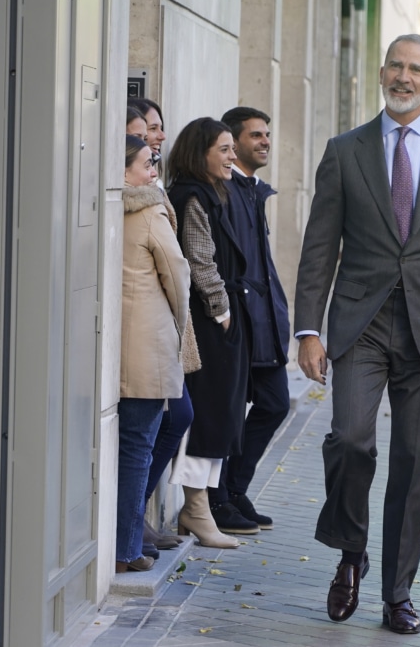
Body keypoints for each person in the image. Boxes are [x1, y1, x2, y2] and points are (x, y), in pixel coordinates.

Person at [294, 34, 420, 635]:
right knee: (352, 440)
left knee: (413, 460)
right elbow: (319, 245)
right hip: (360, 323)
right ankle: (350, 549)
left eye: (418, 69)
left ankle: (397, 592)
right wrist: (308, 329)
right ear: (382, 73)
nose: (405, 77)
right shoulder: (345, 150)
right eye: (397, 66)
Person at [200, 106, 291, 535]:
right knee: (229, 413)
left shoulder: (253, 190)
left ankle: (235, 489)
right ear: (233, 144)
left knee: (273, 404)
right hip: (237, 323)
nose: (265, 141)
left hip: (263, 323)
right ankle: (216, 500)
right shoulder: (224, 191)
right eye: (256, 135)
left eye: (267, 134)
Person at [166, 117, 249, 550]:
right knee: (209, 414)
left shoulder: (215, 192)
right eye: (224, 149)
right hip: (207, 321)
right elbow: (199, 259)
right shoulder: (191, 195)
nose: (233, 156)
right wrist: (221, 309)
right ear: (202, 154)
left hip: (220, 318)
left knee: (219, 415)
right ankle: (196, 508)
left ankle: (199, 507)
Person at [117, 135, 190, 572]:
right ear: (124, 170)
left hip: (113, 348)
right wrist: (179, 328)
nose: (154, 172)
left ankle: (121, 545)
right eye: (147, 164)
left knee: (120, 451)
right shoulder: (149, 210)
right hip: (146, 351)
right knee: (137, 449)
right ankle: (125, 550)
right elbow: (177, 276)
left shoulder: (105, 209)